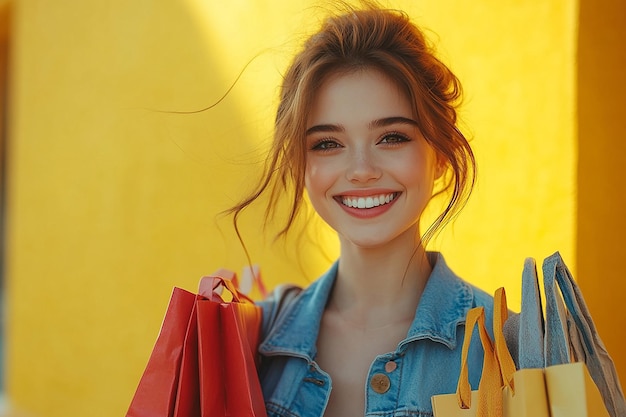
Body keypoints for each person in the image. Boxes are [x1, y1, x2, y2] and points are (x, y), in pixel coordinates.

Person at [228, 3, 517, 416]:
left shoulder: (516, 350)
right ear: (300, 164)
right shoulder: (256, 343)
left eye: (392, 137)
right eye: (328, 143)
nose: (361, 171)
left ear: (439, 155)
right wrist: (216, 337)